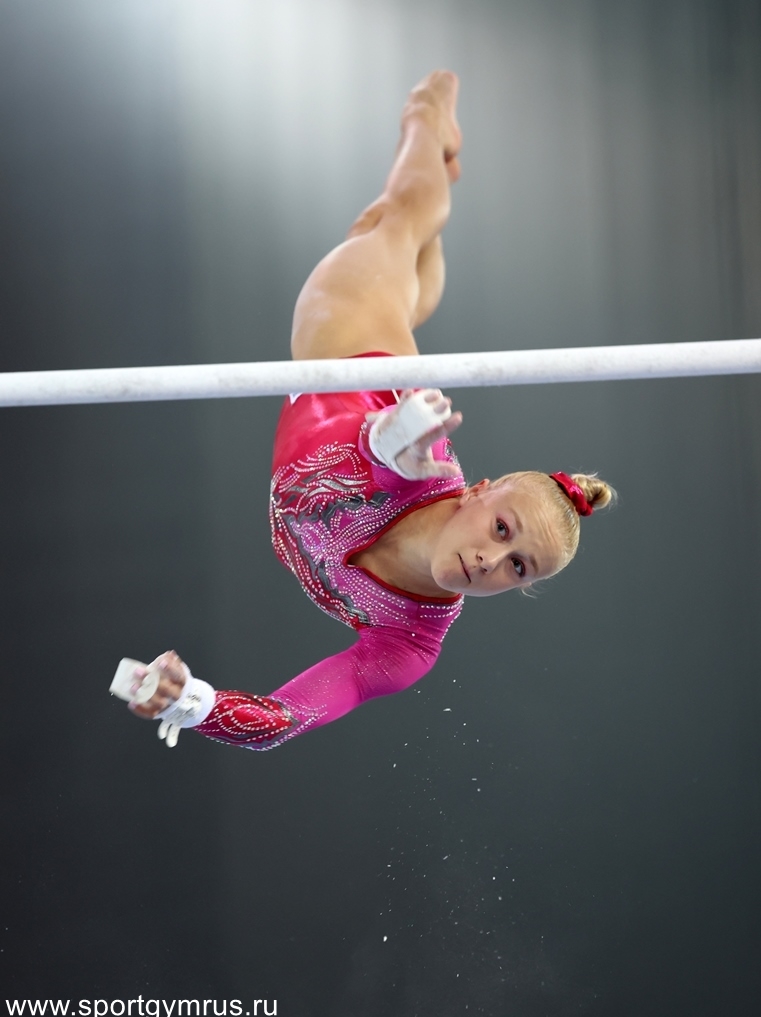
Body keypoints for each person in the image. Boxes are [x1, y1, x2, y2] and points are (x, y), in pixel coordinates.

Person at [123, 71, 614, 750]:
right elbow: (385, 454)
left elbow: (286, 718)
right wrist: (395, 439)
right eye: (502, 529)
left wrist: (193, 703)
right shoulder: (425, 464)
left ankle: (431, 196)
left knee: (404, 268)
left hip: (384, 366)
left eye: (518, 567)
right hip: (346, 341)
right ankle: (426, 116)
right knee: (398, 216)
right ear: (476, 492)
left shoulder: (410, 642)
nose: (491, 560)